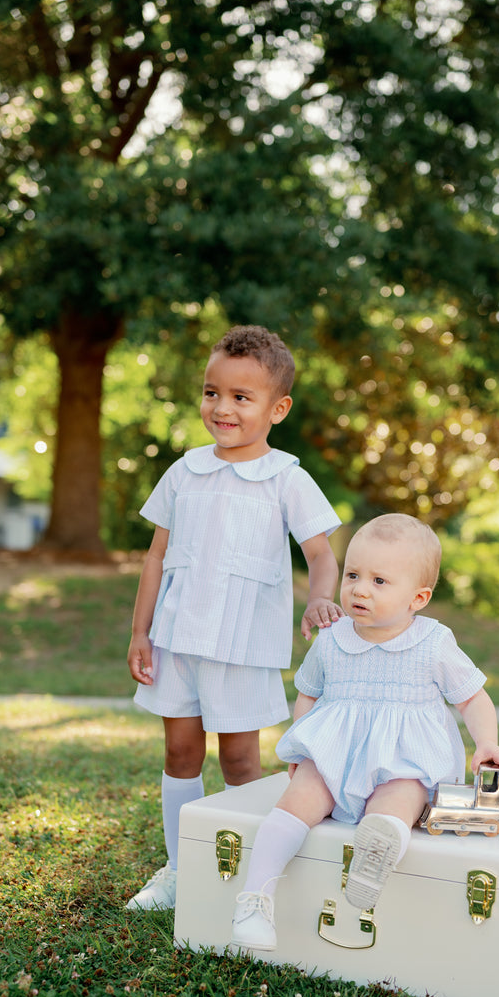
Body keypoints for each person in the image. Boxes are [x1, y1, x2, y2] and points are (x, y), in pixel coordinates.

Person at [126, 325, 343, 910]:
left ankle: (257, 871)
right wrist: (140, 632)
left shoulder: (287, 479)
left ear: (278, 408)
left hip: (243, 647)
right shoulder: (185, 471)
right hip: (177, 640)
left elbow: (321, 553)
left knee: (243, 759)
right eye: (211, 392)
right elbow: (156, 556)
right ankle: (180, 868)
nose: (222, 408)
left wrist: (321, 598)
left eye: (241, 398)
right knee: (179, 752)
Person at [230, 513, 499, 951]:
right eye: (353, 574)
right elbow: (308, 692)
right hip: (333, 755)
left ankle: (375, 854)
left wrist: (487, 742)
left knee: (399, 799)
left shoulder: (433, 642)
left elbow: (471, 698)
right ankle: (254, 898)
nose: (360, 588)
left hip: (406, 759)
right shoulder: (332, 638)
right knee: (294, 804)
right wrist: (303, 743)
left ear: (418, 597)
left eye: (380, 581)